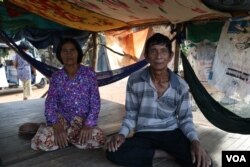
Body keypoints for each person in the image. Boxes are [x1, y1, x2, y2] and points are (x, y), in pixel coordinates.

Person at [105, 33, 212, 167]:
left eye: (163, 51)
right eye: (153, 51)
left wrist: (195, 142)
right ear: (147, 56)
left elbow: (185, 119)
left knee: (204, 163)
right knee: (113, 151)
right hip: (144, 133)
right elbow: (131, 114)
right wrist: (121, 134)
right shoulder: (135, 80)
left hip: (171, 133)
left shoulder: (181, 85)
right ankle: (163, 154)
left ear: (170, 56)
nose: (158, 56)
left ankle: (154, 153)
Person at [31, 38, 105, 151]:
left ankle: (66, 139)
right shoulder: (56, 77)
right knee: (41, 141)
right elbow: (50, 104)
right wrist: (56, 125)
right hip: (62, 121)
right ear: (60, 54)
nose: (68, 54)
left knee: (99, 138)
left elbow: (95, 103)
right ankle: (70, 138)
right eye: (64, 51)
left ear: (78, 52)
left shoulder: (89, 74)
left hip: (82, 122)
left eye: (72, 50)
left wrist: (88, 124)